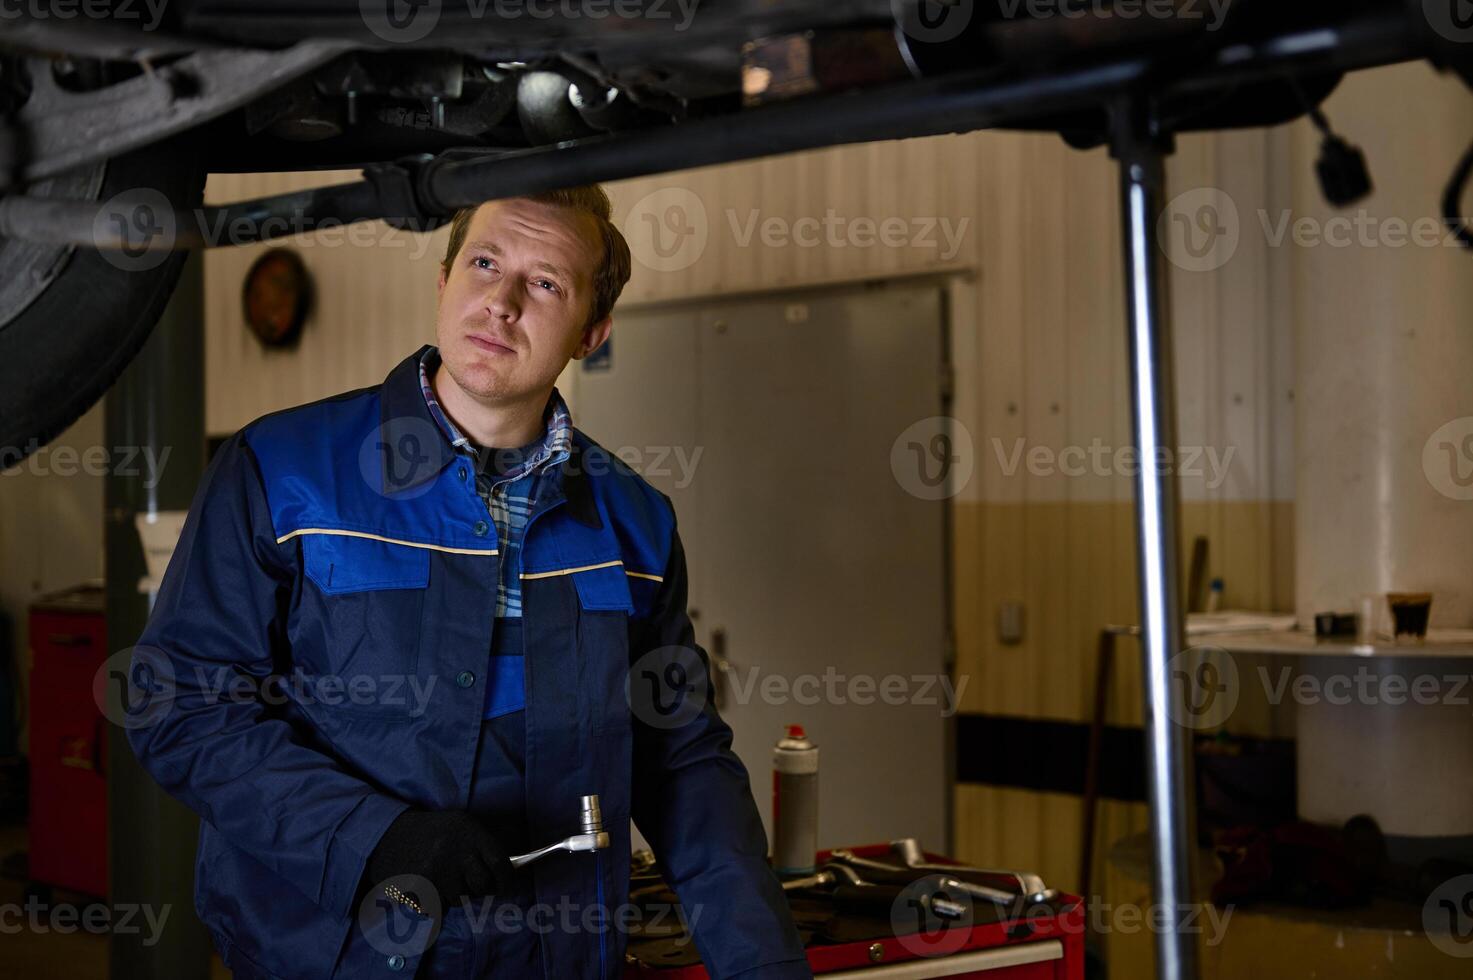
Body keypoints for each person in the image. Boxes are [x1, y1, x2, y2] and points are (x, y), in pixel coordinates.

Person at [125, 184, 812, 979]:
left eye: (546, 282)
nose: (501, 302)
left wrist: (760, 964)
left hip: (551, 953)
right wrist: (372, 836)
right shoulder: (282, 472)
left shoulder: (635, 523)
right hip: (329, 953)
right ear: (443, 282)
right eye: (483, 264)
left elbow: (681, 757)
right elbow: (182, 702)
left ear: (591, 330)